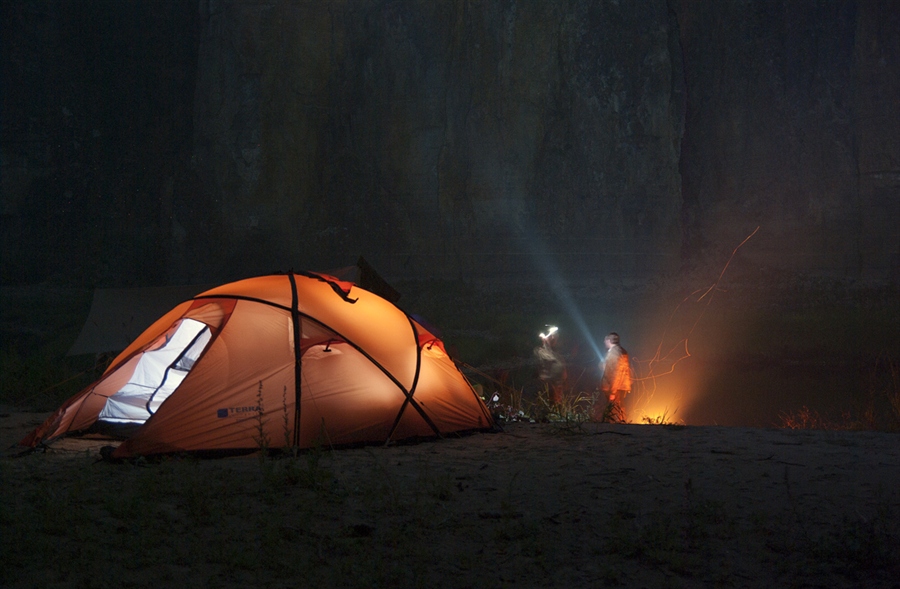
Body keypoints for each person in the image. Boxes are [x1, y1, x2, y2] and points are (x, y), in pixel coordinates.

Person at [595, 332, 631, 422]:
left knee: (614, 408)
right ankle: (620, 422)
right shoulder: (622, 351)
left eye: (605, 340)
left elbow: (615, 373)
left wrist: (613, 392)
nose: (603, 342)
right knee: (619, 407)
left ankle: (614, 425)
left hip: (613, 387)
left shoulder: (614, 353)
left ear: (609, 340)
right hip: (621, 386)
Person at [534, 326, 567, 405]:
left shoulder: (558, 354)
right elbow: (549, 361)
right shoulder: (539, 351)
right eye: (551, 335)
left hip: (558, 392)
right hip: (546, 392)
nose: (553, 337)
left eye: (555, 335)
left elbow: (563, 372)